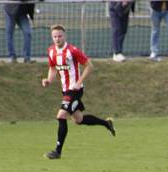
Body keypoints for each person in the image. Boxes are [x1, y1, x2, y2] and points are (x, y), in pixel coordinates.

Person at [41, 25, 115, 160]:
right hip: (65, 90)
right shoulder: (51, 51)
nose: (57, 39)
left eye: (60, 36)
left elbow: (89, 66)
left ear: (65, 36)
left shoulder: (73, 51)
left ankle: (57, 151)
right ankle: (106, 123)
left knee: (61, 115)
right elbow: (52, 68)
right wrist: (49, 80)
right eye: (55, 36)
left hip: (75, 90)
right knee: (79, 120)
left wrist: (79, 82)